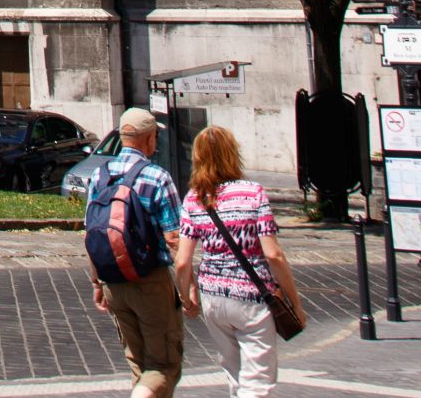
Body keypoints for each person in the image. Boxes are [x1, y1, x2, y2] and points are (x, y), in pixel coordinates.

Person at [175, 125, 299, 397]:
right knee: (258, 380)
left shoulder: (194, 199)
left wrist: (186, 298)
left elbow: (182, 261)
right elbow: (273, 254)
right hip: (251, 297)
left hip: (213, 298)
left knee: (234, 373)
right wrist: (294, 302)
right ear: (233, 154)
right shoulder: (253, 193)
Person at [87, 106, 186, 397]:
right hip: (150, 281)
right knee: (164, 365)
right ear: (148, 139)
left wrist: (97, 283)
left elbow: (91, 232)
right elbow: (174, 238)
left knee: (138, 365)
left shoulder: (99, 175)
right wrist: (185, 285)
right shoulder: (157, 177)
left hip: (113, 282)